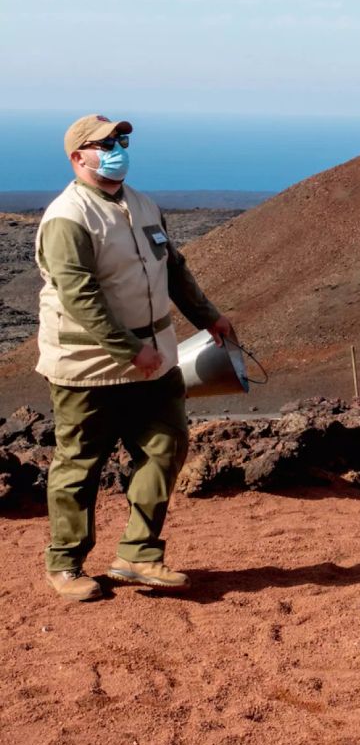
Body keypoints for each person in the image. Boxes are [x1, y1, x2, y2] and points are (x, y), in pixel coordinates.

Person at [35, 114, 235, 602]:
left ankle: (138, 553)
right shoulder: (68, 217)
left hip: (156, 358)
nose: (117, 148)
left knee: (167, 445)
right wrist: (131, 350)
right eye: (104, 143)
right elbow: (81, 297)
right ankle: (65, 564)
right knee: (80, 462)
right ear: (77, 157)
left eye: (121, 140)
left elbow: (174, 269)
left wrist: (209, 317)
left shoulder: (142, 205)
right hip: (88, 365)